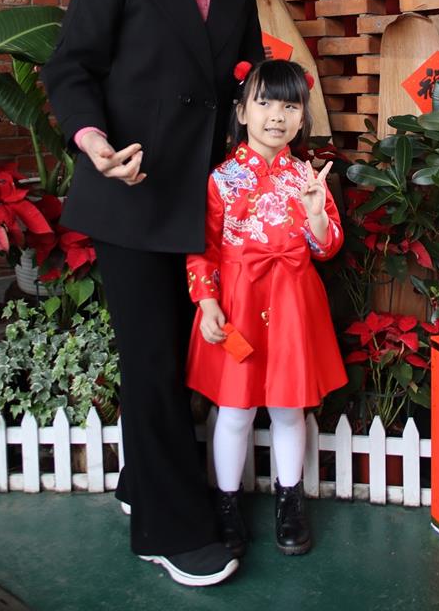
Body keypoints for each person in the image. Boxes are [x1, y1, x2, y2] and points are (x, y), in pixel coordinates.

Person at [41, 0, 264, 587]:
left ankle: (141, 483)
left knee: (180, 351)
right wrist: (92, 141)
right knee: (152, 359)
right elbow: (70, 66)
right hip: (129, 192)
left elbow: (245, 81)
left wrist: (268, 158)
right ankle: (171, 529)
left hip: (205, 200)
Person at [186, 59, 346, 559]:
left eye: (290, 106)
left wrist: (317, 213)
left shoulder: (308, 177)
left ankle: (289, 500)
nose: (277, 115)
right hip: (238, 301)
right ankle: (226, 502)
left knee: (288, 409)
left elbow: (327, 248)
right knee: (234, 409)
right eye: (265, 103)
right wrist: (207, 301)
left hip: (294, 304)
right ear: (241, 111)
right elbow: (202, 247)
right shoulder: (220, 179)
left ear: (302, 118)